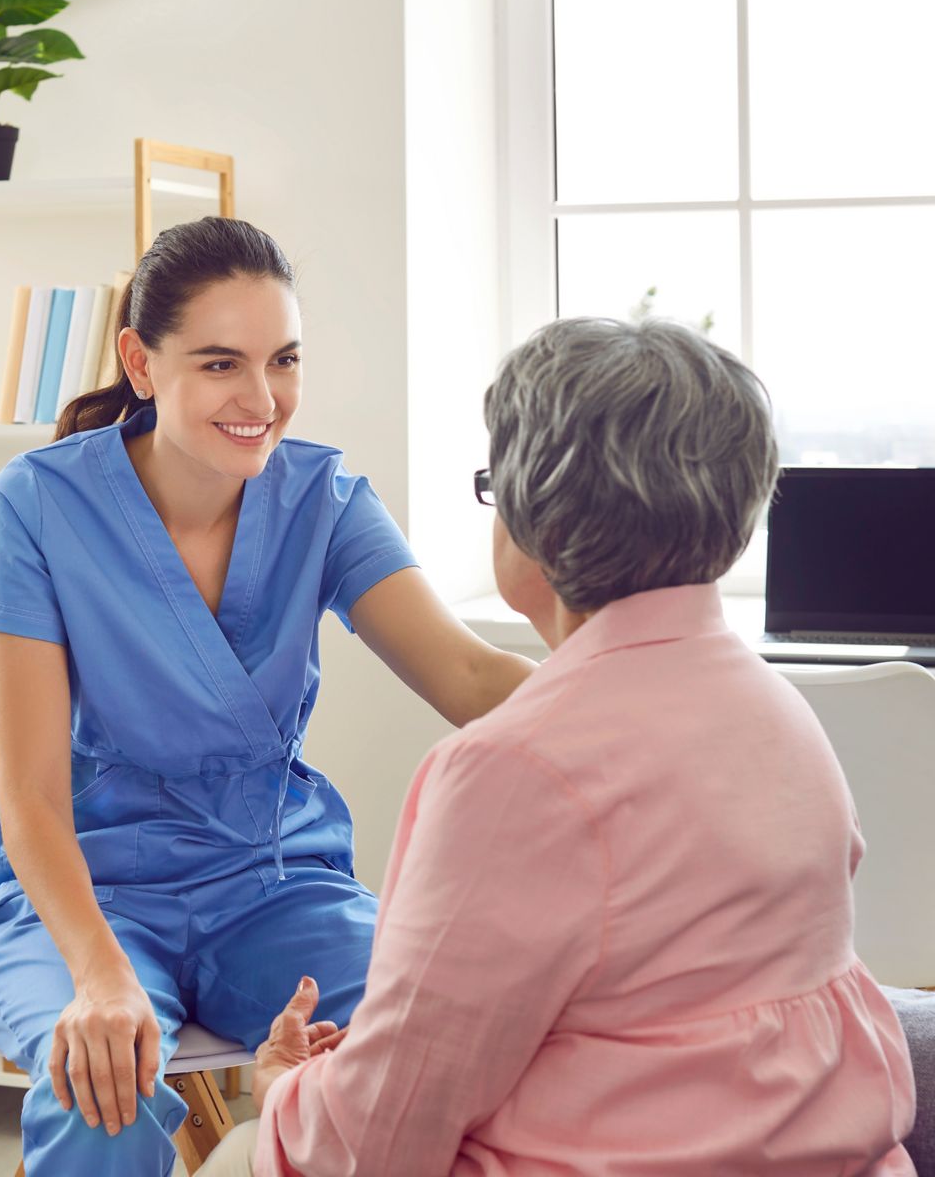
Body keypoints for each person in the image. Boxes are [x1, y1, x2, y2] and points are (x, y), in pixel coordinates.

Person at [201, 316, 918, 1176]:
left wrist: (284, 1089)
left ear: (534, 518)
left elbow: (375, 1141)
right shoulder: (779, 712)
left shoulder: (512, 770)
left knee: (245, 1150)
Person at [0, 216, 535, 1176]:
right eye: (220, 364)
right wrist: (98, 977)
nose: (263, 399)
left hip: (274, 889)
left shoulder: (325, 499)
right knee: (105, 1091)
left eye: (283, 360)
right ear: (140, 361)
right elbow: (34, 800)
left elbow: (466, 675)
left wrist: (646, 706)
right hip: (88, 899)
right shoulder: (37, 504)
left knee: (447, 1033)